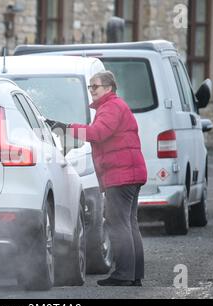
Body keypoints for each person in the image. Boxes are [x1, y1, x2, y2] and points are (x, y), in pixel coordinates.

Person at [46, 70, 147, 287]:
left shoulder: (111, 107)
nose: (91, 90)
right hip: (128, 172)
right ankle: (133, 274)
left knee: (118, 224)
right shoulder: (113, 106)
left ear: (108, 88)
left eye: (95, 86)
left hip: (121, 174)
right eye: (90, 87)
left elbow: (97, 133)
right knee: (128, 223)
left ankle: (123, 274)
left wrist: (67, 128)